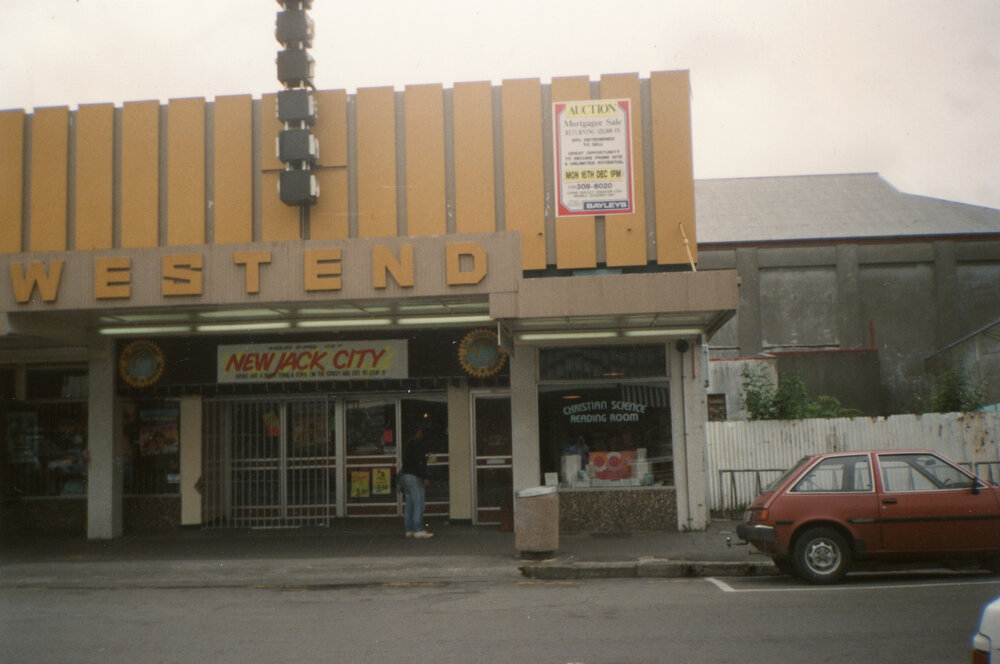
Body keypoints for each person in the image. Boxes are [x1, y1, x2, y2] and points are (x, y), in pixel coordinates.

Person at [400, 427, 433, 539]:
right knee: (419, 502)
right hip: (415, 476)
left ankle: (409, 529)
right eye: (420, 432)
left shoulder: (409, 444)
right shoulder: (417, 444)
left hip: (406, 475)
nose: (422, 434)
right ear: (418, 433)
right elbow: (420, 462)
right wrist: (426, 476)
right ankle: (418, 529)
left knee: (410, 503)